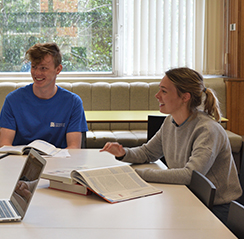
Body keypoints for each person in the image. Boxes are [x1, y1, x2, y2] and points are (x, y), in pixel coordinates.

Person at [100, 67, 242, 224]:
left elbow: (190, 176)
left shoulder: (207, 130)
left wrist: (138, 175)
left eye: (164, 91)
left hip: (216, 209)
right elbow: (148, 152)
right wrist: (123, 153)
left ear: (185, 97)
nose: (157, 95)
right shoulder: (171, 121)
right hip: (188, 197)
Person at [0, 42, 88, 149]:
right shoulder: (13, 100)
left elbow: (74, 148)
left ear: (58, 69)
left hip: (61, 163)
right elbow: (4, 145)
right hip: (21, 163)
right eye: (34, 67)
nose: (37, 73)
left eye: (43, 68)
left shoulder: (73, 102)